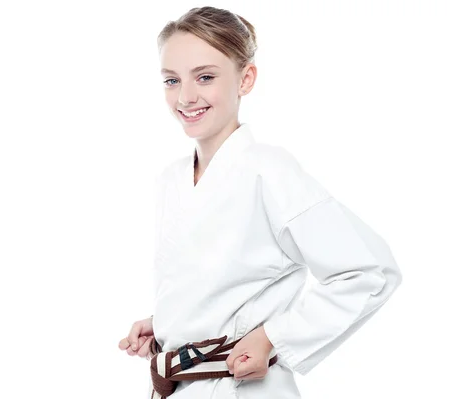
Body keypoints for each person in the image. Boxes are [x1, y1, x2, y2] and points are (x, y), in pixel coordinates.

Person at [118, 6, 403, 399]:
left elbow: (370, 272)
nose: (185, 96)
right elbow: (222, 281)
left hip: (242, 388)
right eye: (171, 80)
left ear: (245, 78)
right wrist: (168, 325)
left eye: (205, 77)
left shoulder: (268, 170)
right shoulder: (171, 179)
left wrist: (273, 336)